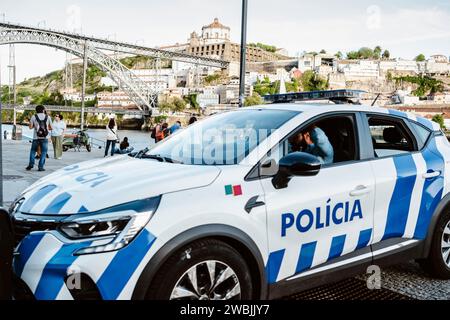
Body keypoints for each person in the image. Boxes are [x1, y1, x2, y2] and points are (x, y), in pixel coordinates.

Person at [26, 105, 52, 171]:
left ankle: (31, 165)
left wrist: (36, 126)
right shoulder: (48, 117)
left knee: (33, 151)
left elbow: (30, 127)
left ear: (36, 110)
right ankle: (40, 167)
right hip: (45, 137)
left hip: (36, 137)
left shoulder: (33, 116)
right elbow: (51, 127)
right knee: (44, 152)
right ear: (43, 110)